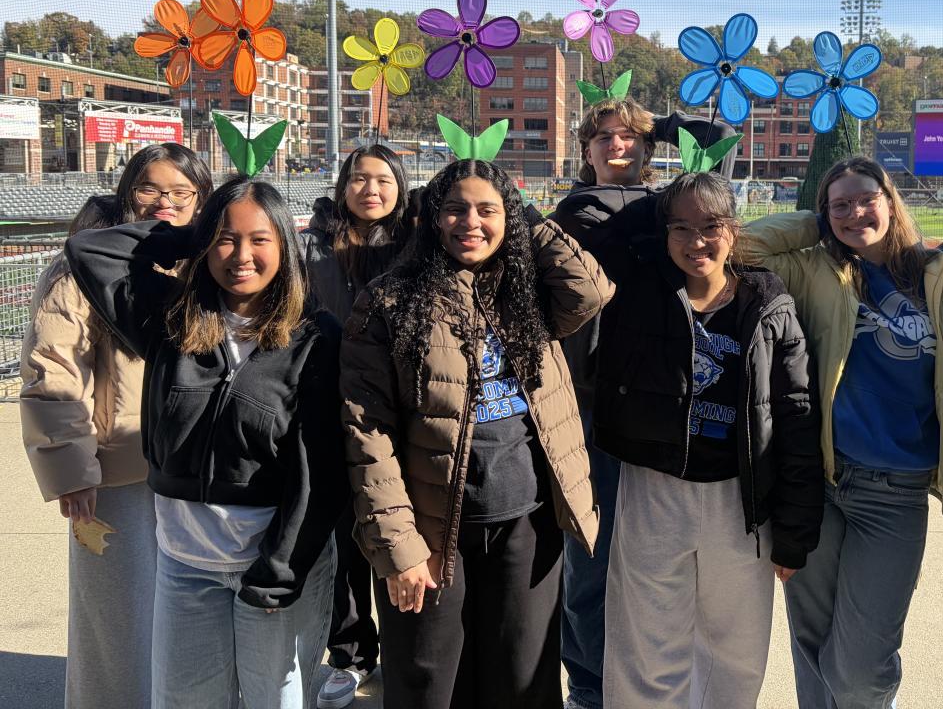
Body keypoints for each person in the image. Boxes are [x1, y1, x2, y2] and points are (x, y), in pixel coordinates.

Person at [64, 177, 347, 709]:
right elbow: (89, 249)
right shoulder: (170, 319)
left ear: (285, 246)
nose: (241, 256)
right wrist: (192, 234)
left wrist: (280, 570)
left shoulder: (315, 335)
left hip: (271, 561)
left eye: (259, 240)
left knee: (274, 700)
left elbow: (322, 469)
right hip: (184, 562)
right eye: (226, 239)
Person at [340, 158, 612, 709]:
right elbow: (367, 434)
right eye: (456, 209)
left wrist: (524, 214)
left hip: (526, 521)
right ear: (431, 219)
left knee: (523, 681)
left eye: (488, 211)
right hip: (431, 528)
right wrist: (399, 548)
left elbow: (590, 290)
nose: (471, 222)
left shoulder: (526, 292)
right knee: (430, 685)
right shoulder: (388, 301)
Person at [736, 156, 943, 709]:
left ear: (890, 201)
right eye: (840, 205)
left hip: (896, 492)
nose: (854, 213)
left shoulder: (936, 277)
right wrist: (817, 224)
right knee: (813, 640)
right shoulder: (813, 270)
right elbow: (740, 248)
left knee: (862, 669)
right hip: (820, 481)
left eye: (865, 200)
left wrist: (920, 437)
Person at [594, 171, 822, 707]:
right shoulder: (638, 289)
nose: (696, 241)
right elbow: (594, 235)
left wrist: (795, 530)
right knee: (646, 646)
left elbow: (795, 415)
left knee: (734, 651)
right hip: (655, 489)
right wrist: (659, 200)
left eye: (711, 226)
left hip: (739, 498)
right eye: (681, 227)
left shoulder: (768, 303)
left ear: (735, 230)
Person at [551, 96, 735, 709]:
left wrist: (662, 124)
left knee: (659, 558)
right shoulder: (577, 211)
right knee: (592, 556)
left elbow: (721, 138)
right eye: (604, 136)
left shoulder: (666, 206)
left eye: (628, 136)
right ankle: (589, 684)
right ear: (585, 150)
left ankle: (649, 676)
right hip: (591, 402)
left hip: (660, 397)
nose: (617, 145)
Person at [20, 142, 213, 709]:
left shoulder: (205, 263)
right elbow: (53, 371)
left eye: (181, 191)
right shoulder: (81, 266)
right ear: (129, 192)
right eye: (150, 188)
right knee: (119, 620)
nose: (165, 202)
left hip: (196, 469)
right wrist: (71, 470)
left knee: (192, 616)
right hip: (116, 473)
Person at [302, 145, 410, 709]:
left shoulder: (417, 242)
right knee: (342, 542)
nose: (371, 189)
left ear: (401, 186)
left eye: (383, 179)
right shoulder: (314, 245)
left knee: (398, 534)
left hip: (399, 412)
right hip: (329, 406)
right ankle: (350, 655)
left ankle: (404, 651)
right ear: (343, 186)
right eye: (360, 179)